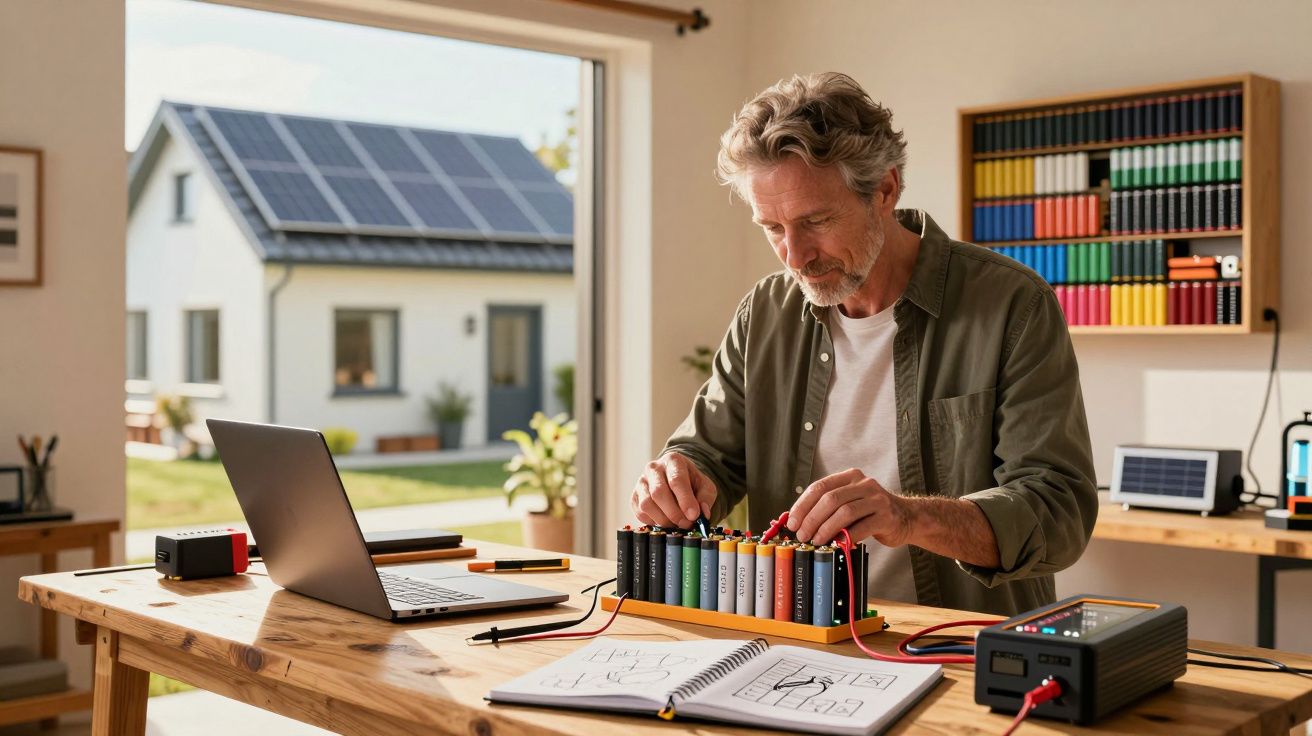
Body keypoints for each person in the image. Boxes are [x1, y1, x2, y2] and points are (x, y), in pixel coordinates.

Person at [628, 72, 1097, 616]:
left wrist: (908, 517)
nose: (794, 256)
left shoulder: (1013, 305)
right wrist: (677, 477)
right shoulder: (764, 313)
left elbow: (1057, 515)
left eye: (817, 221)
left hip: (962, 646)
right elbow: (709, 453)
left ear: (886, 191)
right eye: (773, 228)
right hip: (798, 637)